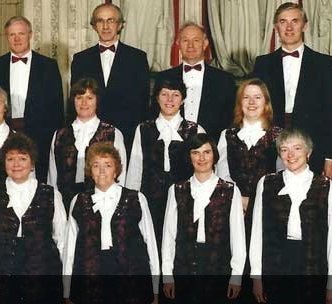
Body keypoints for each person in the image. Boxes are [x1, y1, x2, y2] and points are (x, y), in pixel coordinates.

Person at [0, 133, 66, 304]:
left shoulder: (51, 194)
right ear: (4, 163)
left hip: (42, 280)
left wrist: (66, 284)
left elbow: (63, 241)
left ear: (32, 163)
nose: (16, 164)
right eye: (10, 159)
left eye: (22, 158)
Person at [249, 128, 332, 304]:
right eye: (284, 149)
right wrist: (256, 277)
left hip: (313, 267)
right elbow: (257, 234)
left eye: (297, 148)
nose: (290, 154)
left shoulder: (326, 187)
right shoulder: (266, 183)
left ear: (309, 152)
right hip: (275, 267)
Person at [62, 142, 159, 304]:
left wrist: (155, 289)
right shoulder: (78, 201)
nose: (101, 171)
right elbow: (69, 249)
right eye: (95, 165)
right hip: (90, 281)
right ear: (89, 171)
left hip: (131, 281)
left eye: (107, 165)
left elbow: (150, 244)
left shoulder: (137, 199)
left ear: (116, 170)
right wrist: (67, 290)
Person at [251, 2, 332, 179]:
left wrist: (331, 157)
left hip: (312, 145)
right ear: (276, 27)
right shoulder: (262, 64)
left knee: (310, 202)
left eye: (295, 21)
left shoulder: (323, 64)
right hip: (269, 147)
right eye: (283, 22)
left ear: (304, 25)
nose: (289, 27)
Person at [160, 133, 246, 304]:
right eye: (195, 153)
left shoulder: (230, 190)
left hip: (218, 268)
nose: (201, 158)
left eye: (206, 152)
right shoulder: (176, 190)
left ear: (214, 155)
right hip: (184, 268)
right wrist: (167, 275)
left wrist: (236, 276)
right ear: (189, 157)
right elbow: (169, 236)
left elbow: (238, 237)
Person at [0, 16, 63, 182]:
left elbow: (56, 109)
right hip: (3, 134)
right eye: (12, 35)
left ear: (30, 35)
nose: (17, 38)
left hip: (39, 136)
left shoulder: (48, 66)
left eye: (21, 33)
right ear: (7, 37)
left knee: (37, 182)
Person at [126, 78, 205, 238]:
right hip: (150, 201)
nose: (170, 100)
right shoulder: (143, 129)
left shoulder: (196, 130)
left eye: (175, 95)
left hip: (186, 201)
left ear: (182, 100)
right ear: (156, 98)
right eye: (164, 94)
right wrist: (132, 202)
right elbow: (135, 168)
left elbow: (205, 170)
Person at [70, 3, 150, 147]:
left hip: (128, 134)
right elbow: (75, 99)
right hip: (90, 134)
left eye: (110, 20)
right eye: (100, 21)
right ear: (94, 26)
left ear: (119, 25)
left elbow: (143, 103)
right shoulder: (80, 59)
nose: (105, 26)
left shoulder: (137, 58)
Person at [47, 78, 127, 209]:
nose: (84, 102)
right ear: (73, 101)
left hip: (103, 203)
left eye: (89, 98)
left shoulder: (113, 133)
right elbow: (52, 176)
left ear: (97, 101)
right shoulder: (59, 135)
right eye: (79, 97)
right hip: (65, 204)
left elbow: (121, 174)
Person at [217, 79, 284, 218]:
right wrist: (238, 198)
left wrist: (257, 200)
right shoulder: (226, 134)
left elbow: (281, 173)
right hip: (233, 205)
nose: (251, 102)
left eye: (257, 97)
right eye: (246, 97)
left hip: (267, 205)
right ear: (240, 102)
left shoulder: (279, 135)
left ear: (266, 102)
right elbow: (222, 171)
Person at [155, 22, 237, 132]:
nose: (190, 45)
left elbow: (230, 120)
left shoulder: (225, 80)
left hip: (211, 145)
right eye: (185, 40)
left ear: (205, 44)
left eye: (196, 40)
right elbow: (155, 117)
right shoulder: (164, 77)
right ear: (178, 43)